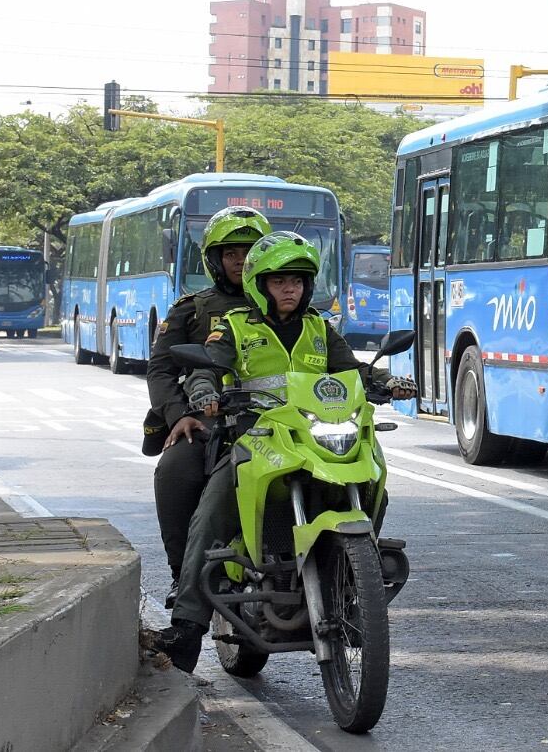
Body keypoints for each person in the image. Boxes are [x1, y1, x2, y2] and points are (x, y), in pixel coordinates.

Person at [153, 232, 413, 672]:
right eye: (278, 282)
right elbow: (204, 367)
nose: (289, 289)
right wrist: (204, 392)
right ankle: (186, 627)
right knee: (214, 509)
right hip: (255, 437)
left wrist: (386, 382)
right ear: (260, 285)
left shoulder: (319, 328)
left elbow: (350, 371)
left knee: (374, 486)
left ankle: (353, 585)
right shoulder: (235, 326)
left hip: (316, 438)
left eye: (296, 281)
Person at [145, 206, 273, 606]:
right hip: (209, 419)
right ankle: (182, 576)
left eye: (248, 251)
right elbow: (162, 370)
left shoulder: (289, 303)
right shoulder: (193, 307)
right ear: (214, 259)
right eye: (230, 253)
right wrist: (178, 415)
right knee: (174, 470)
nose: (239, 260)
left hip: (282, 419)